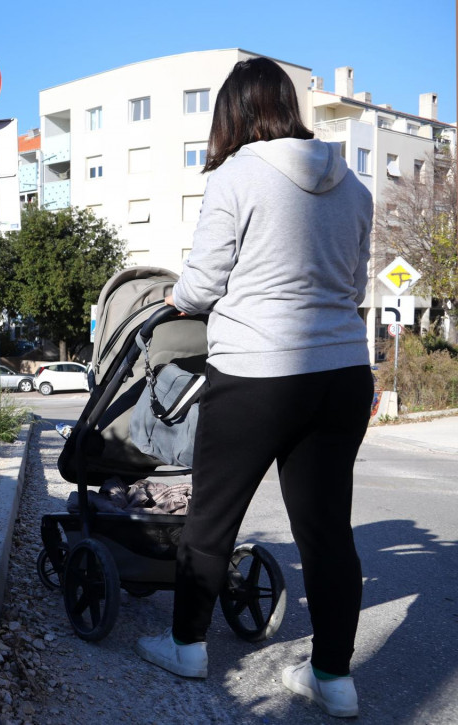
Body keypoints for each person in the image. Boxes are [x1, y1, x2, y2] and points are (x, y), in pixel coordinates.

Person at [133, 57, 373, 719]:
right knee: (327, 530)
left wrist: (175, 299)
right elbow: (354, 288)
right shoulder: (353, 184)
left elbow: (204, 284)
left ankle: (186, 644)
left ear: (233, 115)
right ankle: (334, 677)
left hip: (259, 372)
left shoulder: (236, 174)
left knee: (212, 515)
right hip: (343, 372)